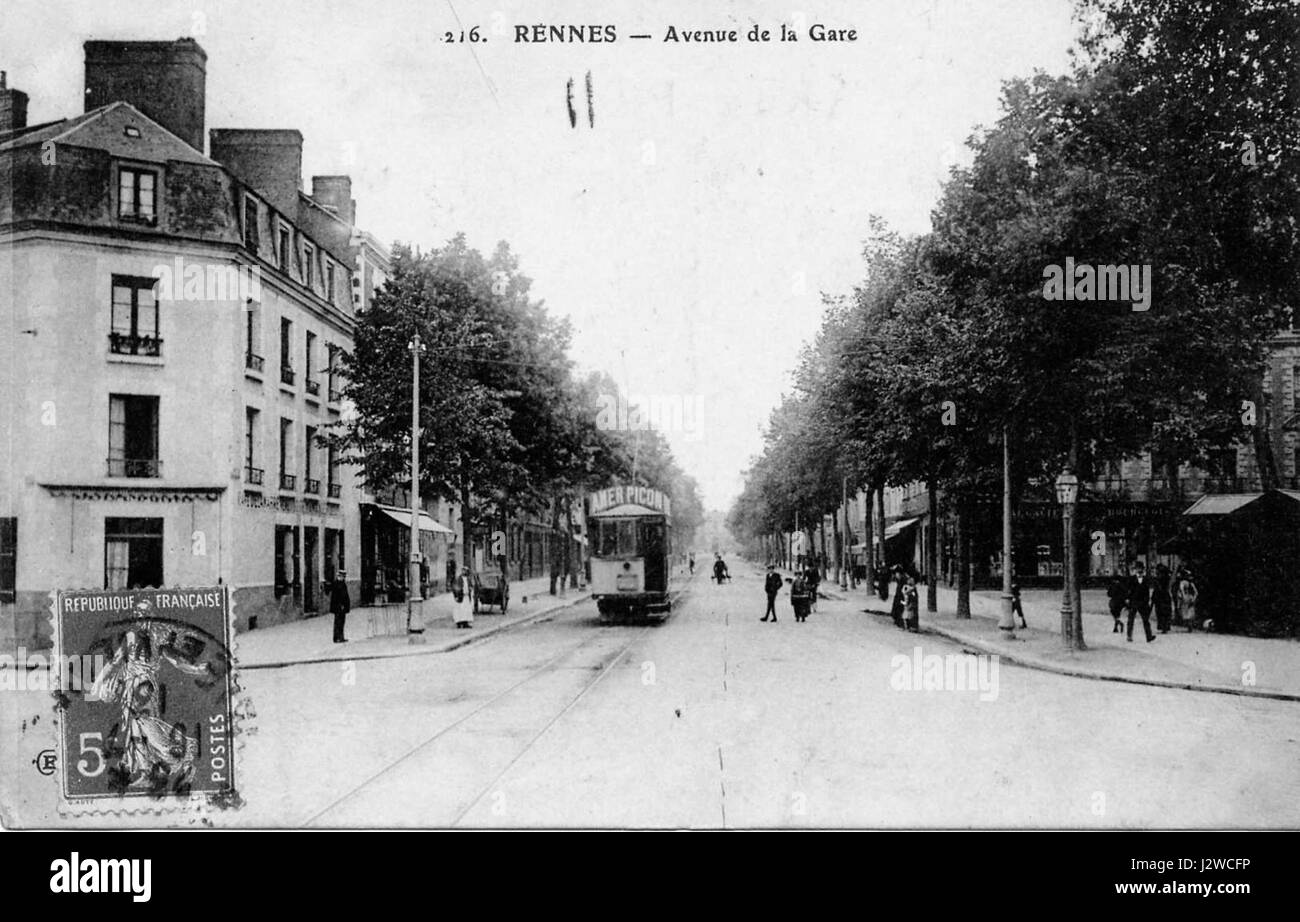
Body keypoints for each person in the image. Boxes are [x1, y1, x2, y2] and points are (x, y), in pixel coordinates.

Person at [1127, 562, 1156, 643]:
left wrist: (1147, 601)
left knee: (1146, 620)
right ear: (1136, 569)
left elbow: (1147, 591)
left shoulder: (1146, 579)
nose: (1140, 570)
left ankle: (1149, 636)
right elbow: (1128, 590)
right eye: (1138, 568)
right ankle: (1129, 635)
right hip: (1134, 601)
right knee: (1131, 619)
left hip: (1143, 602)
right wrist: (1128, 599)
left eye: (1141, 569)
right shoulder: (1132, 579)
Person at [1106, 566, 1129, 634]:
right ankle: (1115, 627)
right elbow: (1126, 593)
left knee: (1114, 613)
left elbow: (1109, 594)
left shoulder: (1113, 586)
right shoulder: (1123, 586)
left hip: (1114, 602)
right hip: (1121, 602)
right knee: (1118, 614)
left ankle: (1118, 623)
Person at [330, 570, 351, 643]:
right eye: (342, 576)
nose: (343, 577)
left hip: (342, 607)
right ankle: (337, 638)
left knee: (341, 622)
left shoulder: (342, 584)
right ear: (339, 576)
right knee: (338, 622)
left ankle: (341, 637)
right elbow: (336, 597)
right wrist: (340, 605)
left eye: (344, 576)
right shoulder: (337, 584)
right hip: (339, 607)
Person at [1153, 563, 1173, 633]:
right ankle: (1166, 626)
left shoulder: (1158, 579)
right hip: (1165, 596)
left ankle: (1163, 626)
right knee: (1166, 612)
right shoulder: (1167, 578)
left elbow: (1157, 589)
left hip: (1160, 596)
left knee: (1160, 612)